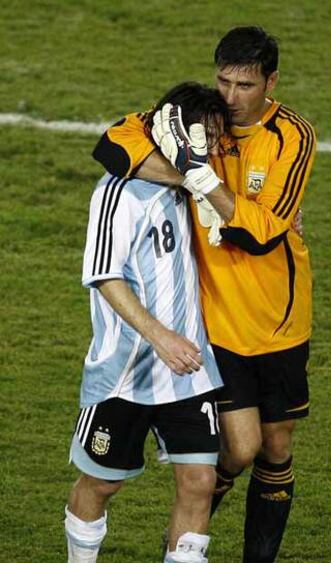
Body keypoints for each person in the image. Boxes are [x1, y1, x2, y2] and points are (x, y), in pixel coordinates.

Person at [93, 26, 316, 562]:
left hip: (279, 318)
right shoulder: (194, 119)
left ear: (271, 82)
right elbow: (112, 145)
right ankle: (184, 540)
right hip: (215, 321)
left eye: (245, 85)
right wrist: (185, 175)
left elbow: (261, 233)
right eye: (224, 81)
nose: (232, 97)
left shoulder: (293, 136)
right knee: (241, 447)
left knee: (277, 446)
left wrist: (201, 180)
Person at [64, 82, 232, 563]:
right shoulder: (118, 193)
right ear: (177, 133)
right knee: (102, 481)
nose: (213, 150)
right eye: (207, 137)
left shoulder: (195, 186)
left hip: (189, 367)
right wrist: (160, 336)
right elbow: (103, 276)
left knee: (200, 482)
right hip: (125, 369)